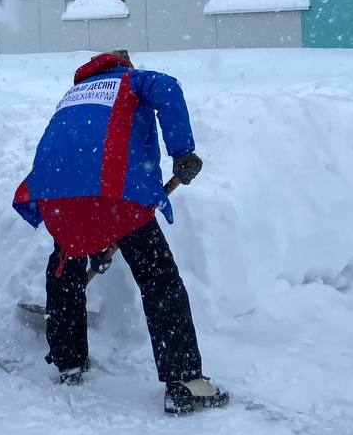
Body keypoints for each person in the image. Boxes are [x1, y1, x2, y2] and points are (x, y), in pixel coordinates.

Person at [12, 49, 227, 416]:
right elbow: (169, 88)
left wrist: (96, 244)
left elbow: (75, 154)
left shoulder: (72, 96)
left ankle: (68, 360)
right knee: (158, 277)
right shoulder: (131, 80)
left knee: (65, 263)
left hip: (55, 196)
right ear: (123, 65)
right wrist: (183, 152)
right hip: (115, 195)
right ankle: (185, 380)